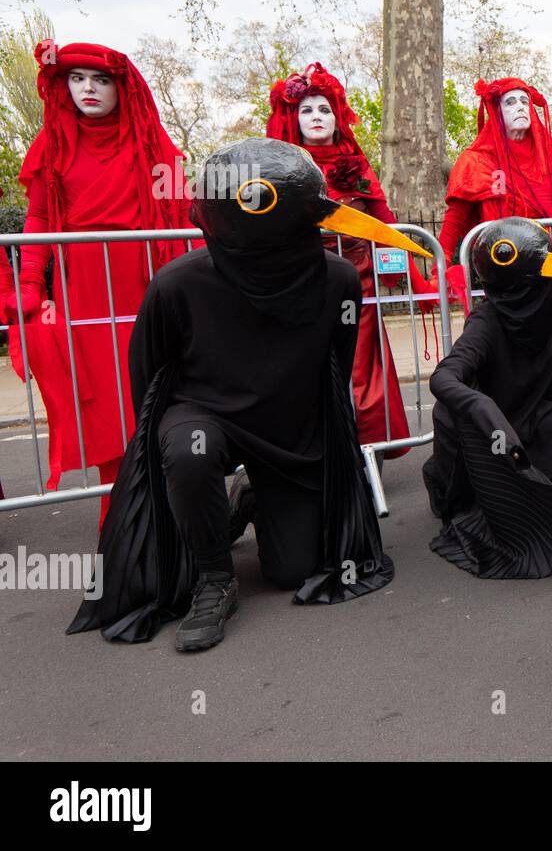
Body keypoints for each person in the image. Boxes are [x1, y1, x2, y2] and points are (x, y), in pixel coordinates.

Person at [68, 139, 422, 649]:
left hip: (289, 431)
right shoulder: (178, 284)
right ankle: (215, 577)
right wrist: (171, 441)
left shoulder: (339, 280)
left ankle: (253, 496)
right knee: (190, 451)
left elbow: (333, 369)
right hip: (204, 416)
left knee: (292, 569)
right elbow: (149, 383)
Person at [4, 41, 191, 520]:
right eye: (78, 78)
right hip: (85, 286)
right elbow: (41, 216)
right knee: (107, 405)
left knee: (159, 389)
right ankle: (123, 516)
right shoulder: (53, 140)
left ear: (121, 87)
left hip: (147, 279)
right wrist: (31, 283)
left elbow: (182, 215)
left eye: (101, 79)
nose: (89, 88)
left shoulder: (151, 142)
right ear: (63, 86)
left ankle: (176, 512)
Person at [266, 62, 435, 459]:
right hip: (296, 285)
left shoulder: (357, 166)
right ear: (293, 118)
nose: (317, 117)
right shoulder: (275, 169)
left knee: (360, 367)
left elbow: (385, 225)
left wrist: (417, 279)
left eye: (324, 109)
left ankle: (365, 448)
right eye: (306, 110)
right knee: (304, 366)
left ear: (337, 116)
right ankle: (314, 451)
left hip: (356, 285)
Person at [423, 217, 552, 579]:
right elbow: (445, 376)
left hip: (535, 412)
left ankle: (541, 484)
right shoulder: (487, 321)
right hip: (490, 427)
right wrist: (479, 405)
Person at [439, 76, 552, 289]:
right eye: (510, 102)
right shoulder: (477, 159)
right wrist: (439, 268)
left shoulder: (548, 154)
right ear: (497, 112)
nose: (520, 107)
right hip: (504, 268)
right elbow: (455, 218)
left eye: (524, 101)